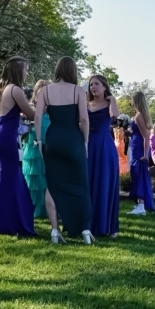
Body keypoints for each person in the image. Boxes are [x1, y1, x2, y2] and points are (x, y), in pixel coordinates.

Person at [35, 57, 93, 244]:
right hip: (73, 140)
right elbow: (84, 119)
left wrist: (39, 140)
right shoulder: (78, 90)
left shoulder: (45, 91)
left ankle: (54, 230)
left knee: (52, 185)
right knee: (81, 185)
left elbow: (37, 116)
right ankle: (84, 230)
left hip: (53, 140)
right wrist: (85, 142)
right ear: (73, 71)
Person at [0, 57, 36, 237]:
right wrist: (44, 107)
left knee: (3, 178)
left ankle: (2, 221)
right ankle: (11, 223)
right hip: (8, 136)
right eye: (25, 69)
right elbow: (31, 114)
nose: (27, 73)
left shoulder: (1, 90)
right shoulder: (16, 89)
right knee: (12, 180)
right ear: (18, 71)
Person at [86, 74, 120, 238]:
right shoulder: (86, 103)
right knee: (88, 183)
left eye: (97, 84)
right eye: (91, 84)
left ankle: (108, 226)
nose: (93, 87)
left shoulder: (109, 102)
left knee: (105, 183)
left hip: (105, 147)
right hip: (87, 146)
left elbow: (115, 115)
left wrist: (111, 99)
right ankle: (87, 224)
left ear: (104, 86)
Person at [21, 80, 49, 218]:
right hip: (33, 140)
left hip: (47, 137)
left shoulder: (53, 107)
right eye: (41, 88)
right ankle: (32, 205)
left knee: (46, 173)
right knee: (33, 172)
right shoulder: (31, 106)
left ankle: (47, 206)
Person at [127, 91, 155, 215]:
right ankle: (140, 205)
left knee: (139, 176)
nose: (131, 102)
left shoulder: (139, 116)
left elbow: (146, 136)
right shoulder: (140, 115)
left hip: (139, 149)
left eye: (133, 100)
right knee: (137, 175)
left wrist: (145, 154)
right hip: (136, 147)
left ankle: (141, 206)